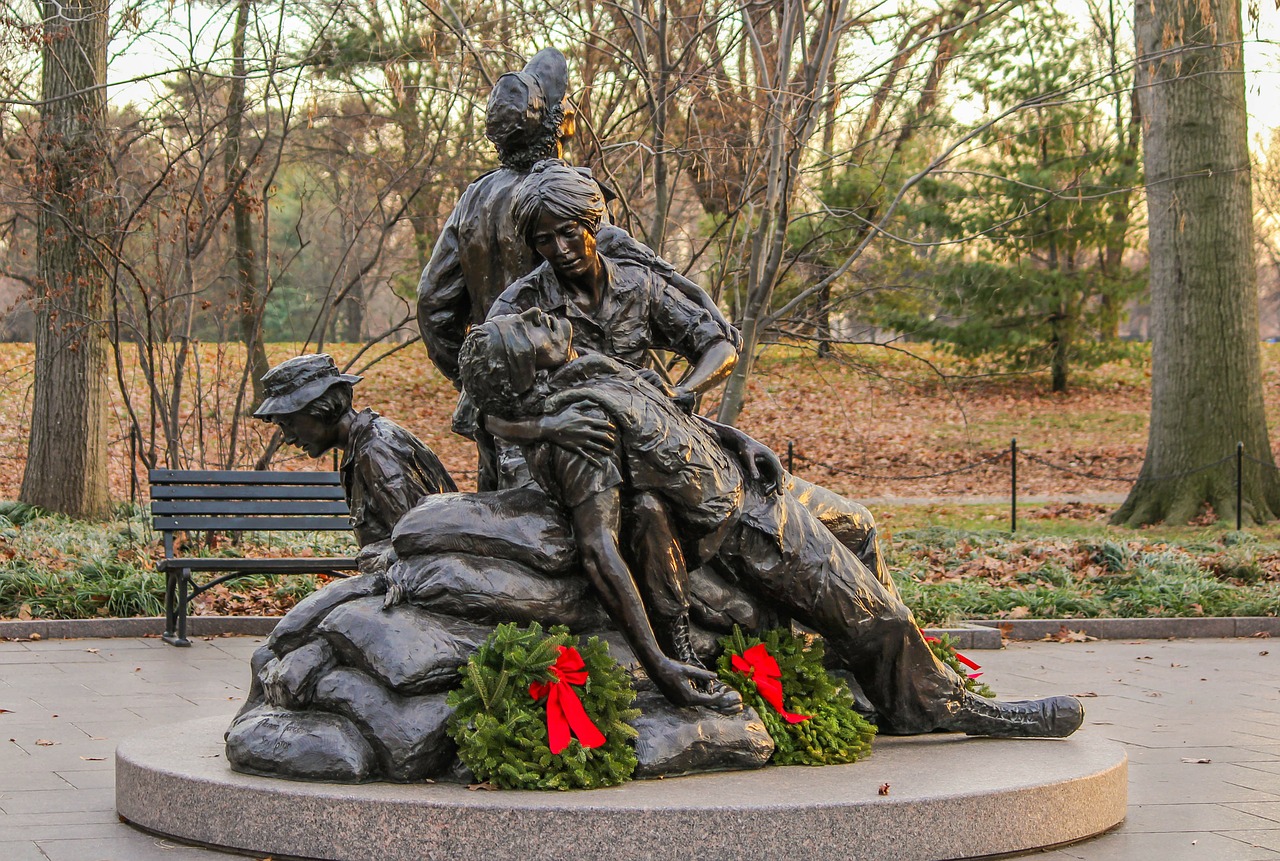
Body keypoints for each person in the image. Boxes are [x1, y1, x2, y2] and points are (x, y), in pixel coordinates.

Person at [458, 311, 1085, 738]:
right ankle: (939, 707)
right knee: (881, 619)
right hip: (745, 530)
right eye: (526, 329)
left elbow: (663, 417)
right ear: (528, 372)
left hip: (747, 478)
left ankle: (874, 679)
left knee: (860, 527)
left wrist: (735, 436)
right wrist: (660, 660)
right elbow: (600, 548)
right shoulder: (576, 433)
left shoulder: (587, 368)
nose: (538, 315)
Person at [254, 354, 457, 549]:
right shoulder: (363, 446)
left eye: (290, 423)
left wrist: (370, 559)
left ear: (321, 407)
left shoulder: (376, 451)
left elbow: (420, 545)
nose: (289, 438)